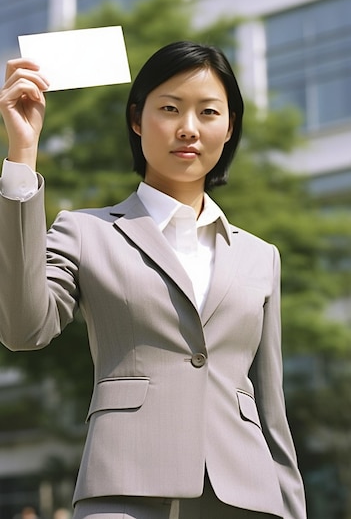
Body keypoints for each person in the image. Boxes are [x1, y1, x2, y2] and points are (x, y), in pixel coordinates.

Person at [0, 41, 306, 519]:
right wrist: (22, 157)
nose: (188, 128)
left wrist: (292, 506)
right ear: (137, 119)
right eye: (169, 108)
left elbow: (272, 410)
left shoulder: (260, 256)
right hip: (124, 487)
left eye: (208, 112)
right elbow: (23, 329)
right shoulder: (85, 231)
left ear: (229, 129)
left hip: (249, 496)